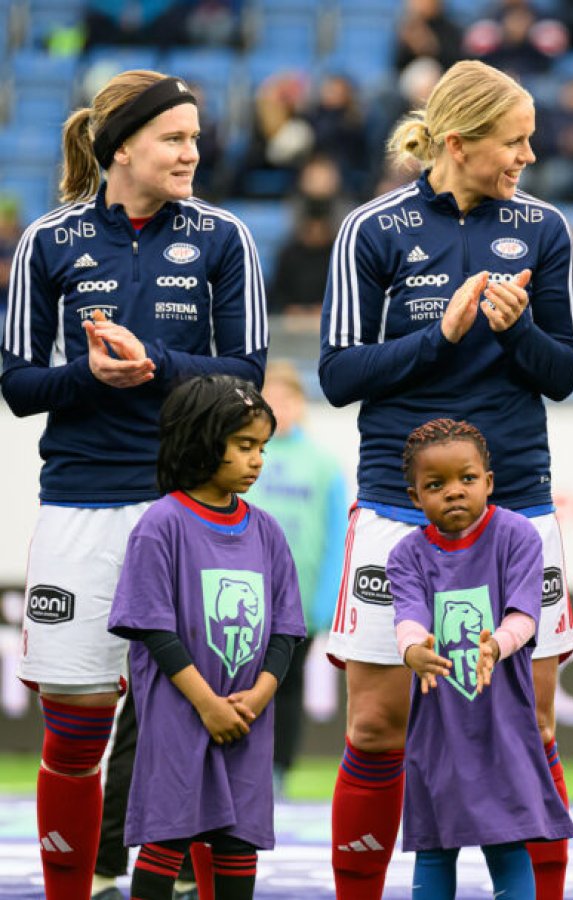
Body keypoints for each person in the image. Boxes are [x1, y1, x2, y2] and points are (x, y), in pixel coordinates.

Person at [319, 60, 573, 900]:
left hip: (516, 506)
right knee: (375, 724)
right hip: (398, 505)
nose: (529, 157)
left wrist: (512, 334)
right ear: (460, 143)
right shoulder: (372, 229)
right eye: (515, 141)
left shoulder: (543, 229)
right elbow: (337, 374)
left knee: (531, 725)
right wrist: (442, 334)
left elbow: (565, 374)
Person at [2, 69, 268, 899]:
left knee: (198, 723)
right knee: (76, 730)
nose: (194, 151)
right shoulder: (48, 241)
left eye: (195, 137)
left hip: (191, 508)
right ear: (122, 146)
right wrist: (88, 375)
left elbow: (249, 376)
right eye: (175, 138)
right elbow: (17, 385)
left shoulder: (227, 237)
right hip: (80, 503)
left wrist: (156, 369)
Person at [107, 375, 304, 900]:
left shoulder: (267, 531)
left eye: (261, 447)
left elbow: (286, 629)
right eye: (244, 446)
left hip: (247, 715)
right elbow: (153, 626)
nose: (257, 459)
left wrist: (258, 696)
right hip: (183, 712)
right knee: (167, 835)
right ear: (201, 439)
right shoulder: (161, 523)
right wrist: (207, 704)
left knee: (238, 844)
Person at [390, 418, 573, 899]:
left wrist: (496, 646)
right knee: (434, 844)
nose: (454, 492)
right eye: (436, 485)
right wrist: (413, 651)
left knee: (507, 840)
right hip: (438, 721)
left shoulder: (517, 535)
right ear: (415, 497)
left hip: (503, 719)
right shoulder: (406, 554)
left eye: (467, 479)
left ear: (488, 483)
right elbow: (408, 618)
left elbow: (525, 616)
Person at [252, 361, 347, 792]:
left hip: (300, 602)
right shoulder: (241, 456)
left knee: (287, 692)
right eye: (270, 400)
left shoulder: (324, 465)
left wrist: (326, 603)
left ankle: (277, 775)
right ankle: (239, 771)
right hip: (245, 599)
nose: (280, 408)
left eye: (287, 400)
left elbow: (336, 536)